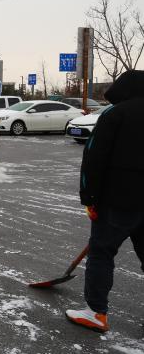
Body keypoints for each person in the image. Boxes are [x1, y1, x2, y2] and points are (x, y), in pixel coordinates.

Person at [66, 70, 144, 332]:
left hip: (117, 201)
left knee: (101, 252)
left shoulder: (115, 114)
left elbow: (94, 158)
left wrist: (89, 198)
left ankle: (96, 312)